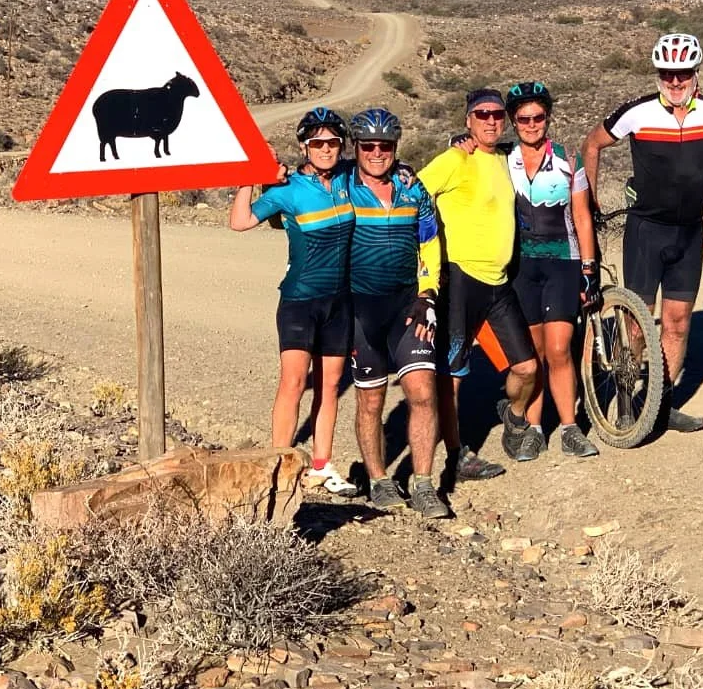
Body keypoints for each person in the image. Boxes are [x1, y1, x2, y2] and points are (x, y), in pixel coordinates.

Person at [582, 33, 703, 433]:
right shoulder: (638, 112)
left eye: (682, 74)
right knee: (636, 324)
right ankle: (627, 400)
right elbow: (592, 144)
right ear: (659, 75)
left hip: (689, 233)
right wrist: (589, 202)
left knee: (678, 323)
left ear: (695, 74)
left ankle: (661, 404)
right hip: (647, 230)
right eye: (668, 74)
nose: (676, 82)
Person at [229, 107, 356, 495]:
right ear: (304, 146)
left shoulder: (349, 178)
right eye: (317, 142)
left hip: (340, 301)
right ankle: (279, 463)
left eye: (332, 142)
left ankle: (321, 465)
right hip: (300, 300)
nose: (326, 148)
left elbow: (380, 161)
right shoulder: (287, 191)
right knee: (294, 381)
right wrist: (249, 180)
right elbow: (240, 222)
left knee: (330, 386)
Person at [418, 88, 539, 479]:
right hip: (461, 278)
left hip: (499, 282)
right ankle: (456, 457)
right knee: (451, 374)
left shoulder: (505, 159)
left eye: (496, 115)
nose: (490, 120)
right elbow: (415, 192)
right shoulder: (455, 158)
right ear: (468, 119)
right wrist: (426, 251)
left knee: (526, 366)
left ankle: (512, 411)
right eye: (481, 114)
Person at [344, 108, 450, 518]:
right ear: (356, 147)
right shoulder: (343, 186)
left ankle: (423, 483)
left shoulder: (411, 187)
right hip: (360, 308)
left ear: (395, 147)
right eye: (367, 145)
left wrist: (428, 294)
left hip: (409, 303)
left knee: (422, 392)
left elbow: (429, 242)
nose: (376, 153)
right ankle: (378, 478)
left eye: (384, 146)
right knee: (371, 401)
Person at [503, 81, 601, 460]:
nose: (531, 124)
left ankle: (570, 427)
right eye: (523, 118)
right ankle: (532, 427)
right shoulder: (502, 159)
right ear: (513, 121)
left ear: (548, 117)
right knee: (534, 352)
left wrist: (588, 268)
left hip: (563, 260)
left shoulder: (568, 159)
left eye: (538, 116)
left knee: (560, 349)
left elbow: (581, 215)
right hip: (521, 265)